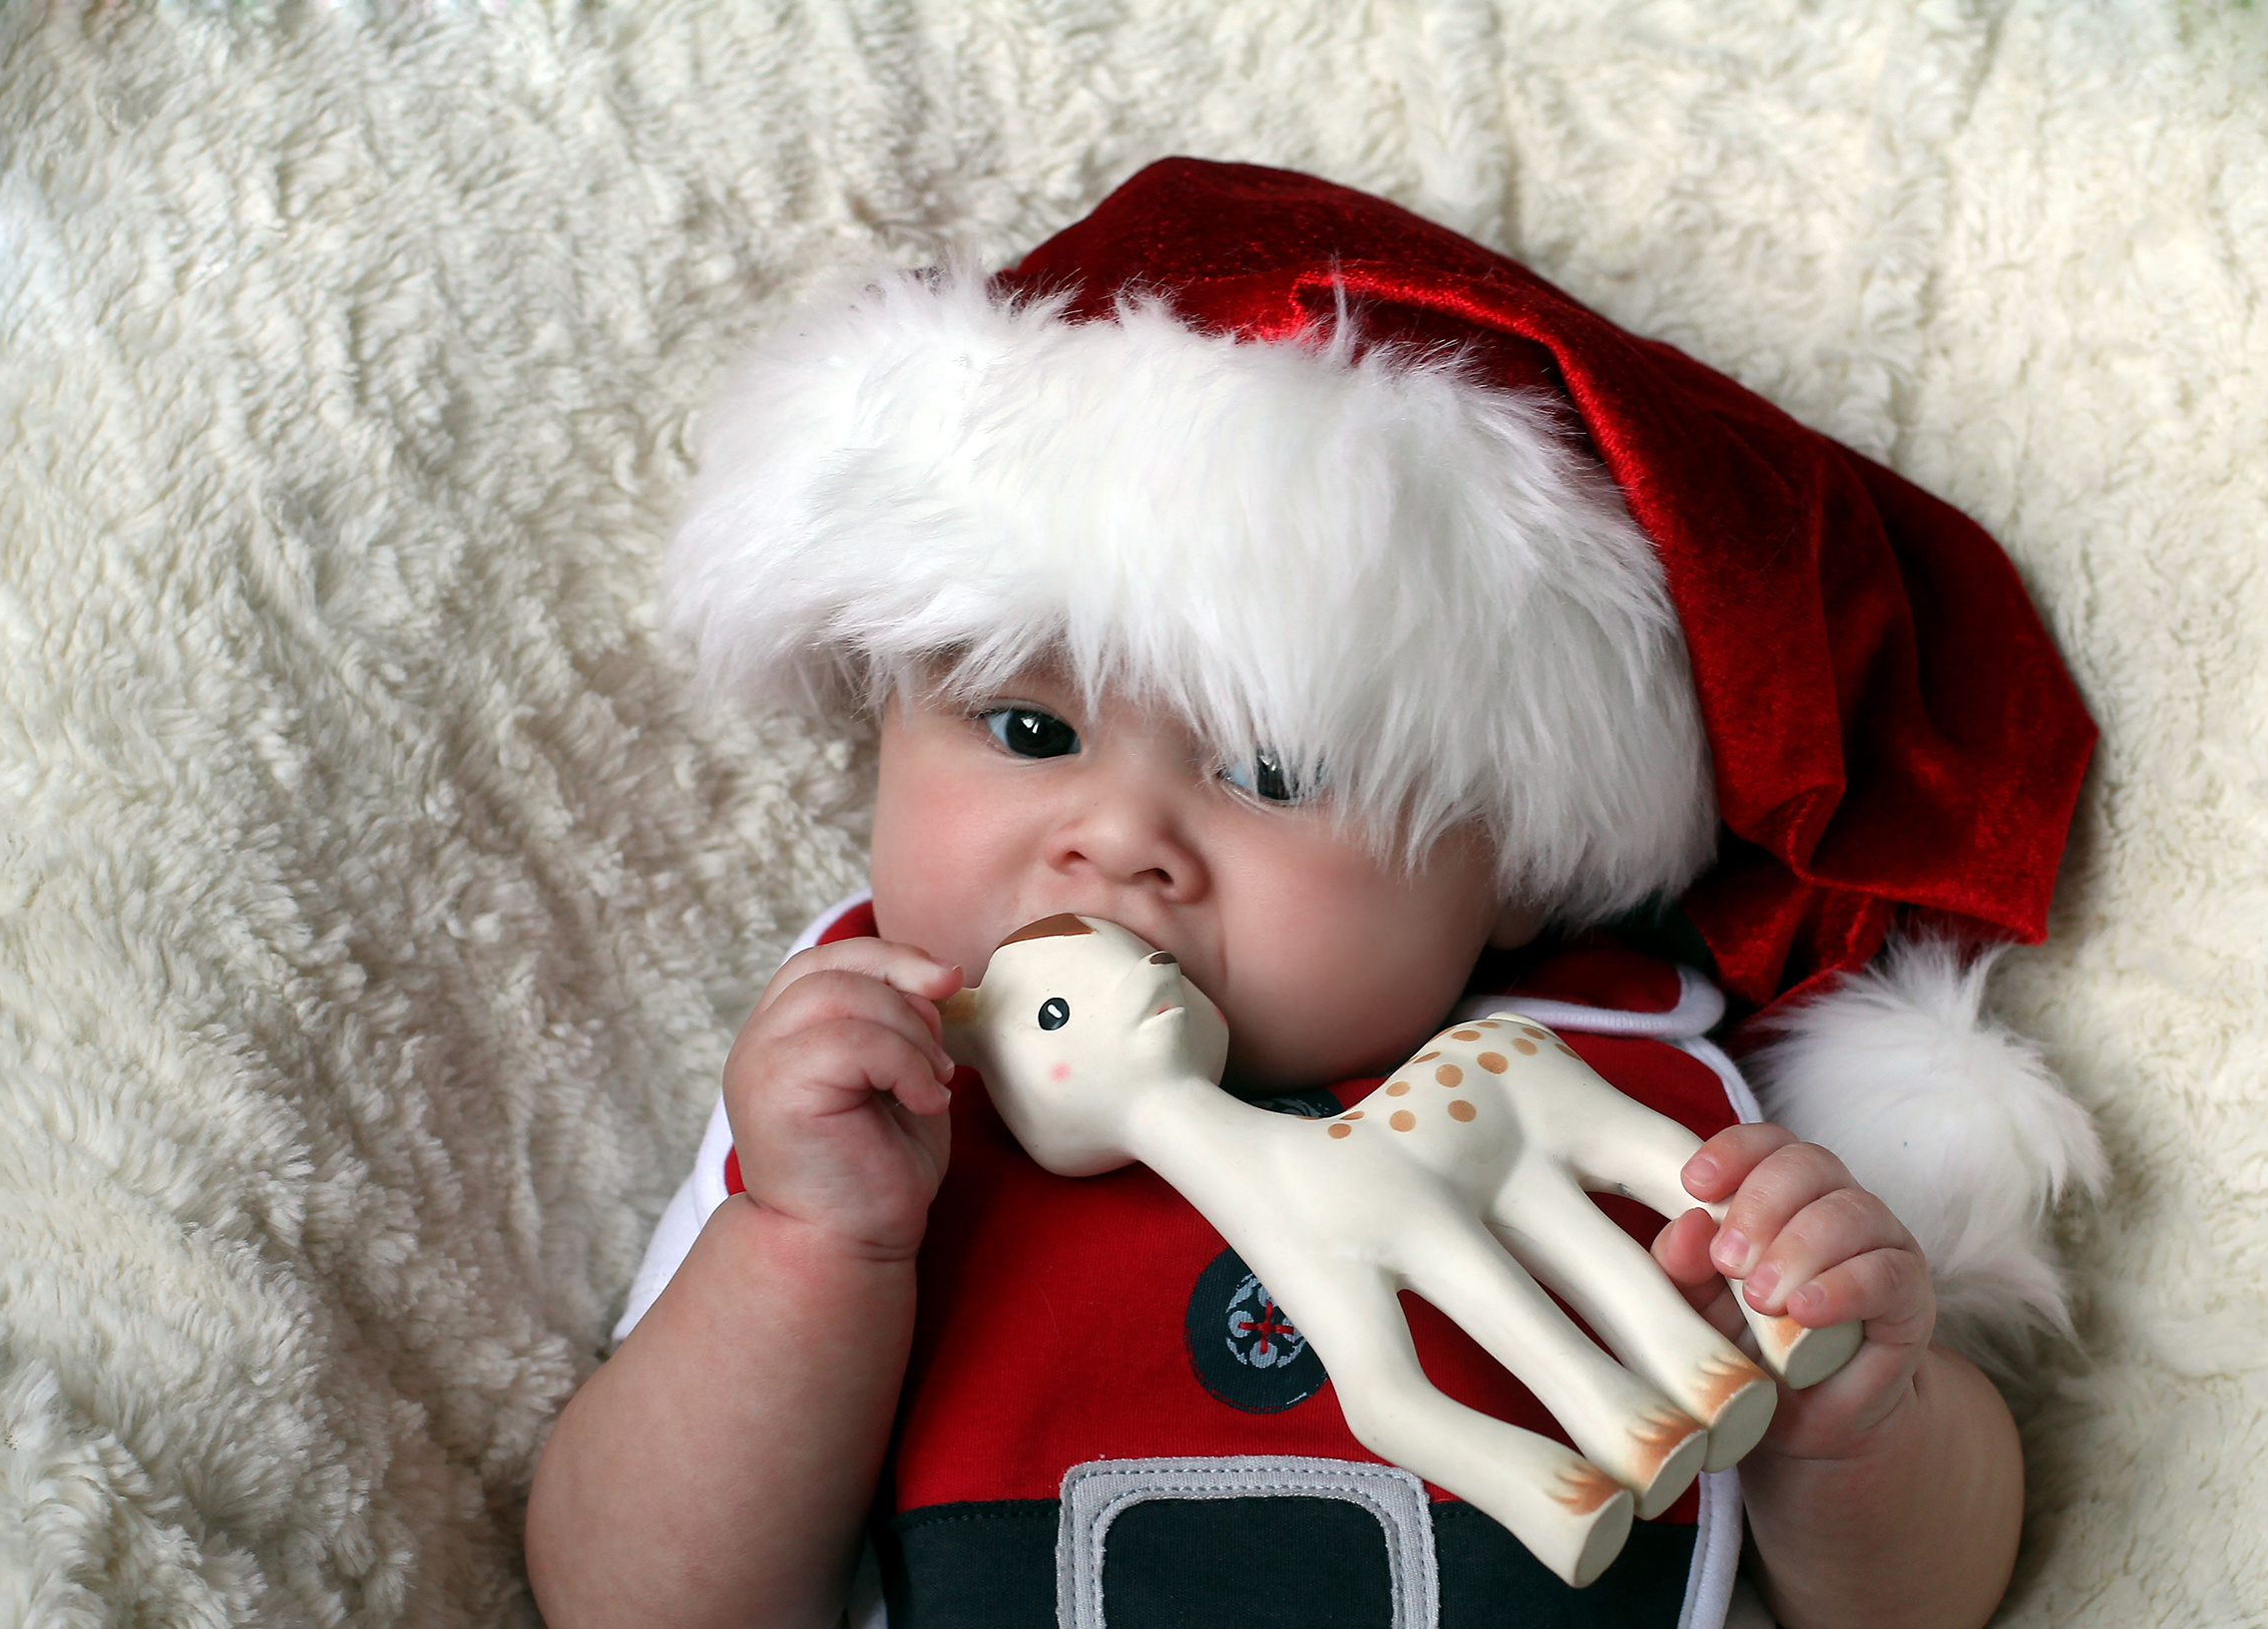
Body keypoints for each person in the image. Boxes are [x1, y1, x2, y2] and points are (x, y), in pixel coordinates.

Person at [524, 159, 2102, 1629]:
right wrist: (810, 1249)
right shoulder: (864, 1110)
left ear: (1510, 869)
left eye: (1272, 774)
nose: (1118, 839)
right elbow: (635, 1601)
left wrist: (1851, 1413)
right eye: (1025, 728)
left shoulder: (1641, 1119)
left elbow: (1923, 1606)